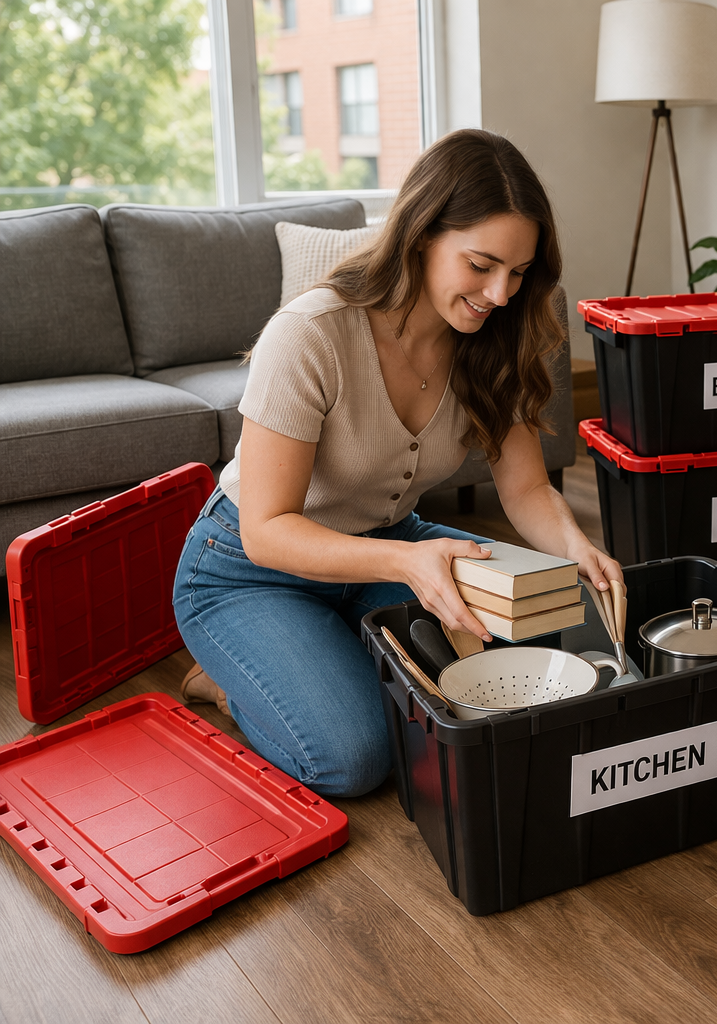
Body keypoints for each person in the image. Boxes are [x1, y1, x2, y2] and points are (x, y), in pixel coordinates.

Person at [172, 129, 621, 798]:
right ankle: (234, 686)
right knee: (356, 759)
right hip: (248, 570)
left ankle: (337, 650)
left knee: (537, 642)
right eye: (481, 264)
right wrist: (409, 564)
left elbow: (526, 487)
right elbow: (267, 530)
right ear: (420, 236)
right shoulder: (312, 334)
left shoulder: (492, 342)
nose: (500, 293)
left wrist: (578, 549)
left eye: (519, 273)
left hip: (384, 547)